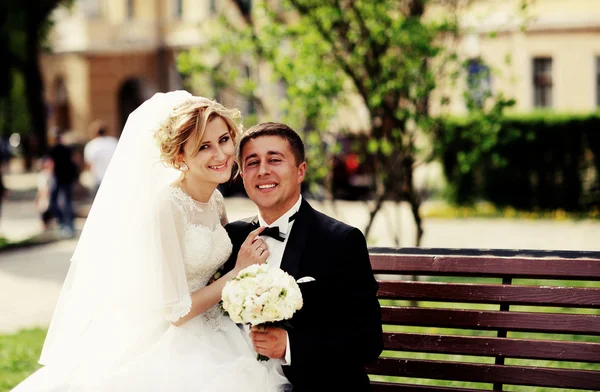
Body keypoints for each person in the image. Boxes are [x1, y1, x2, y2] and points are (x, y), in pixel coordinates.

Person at [11, 91, 290, 392]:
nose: (221, 154)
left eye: (224, 140)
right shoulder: (168, 206)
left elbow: (220, 270)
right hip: (174, 338)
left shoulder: (216, 200)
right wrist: (238, 273)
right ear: (180, 156)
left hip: (216, 327)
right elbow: (175, 311)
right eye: (204, 147)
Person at [223, 122, 383, 392]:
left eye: (275, 159)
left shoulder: (340, 241)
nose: (263, 170)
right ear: (242, 175)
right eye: (252, 162)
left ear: (300, 171)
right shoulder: (232, 238)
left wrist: (289, 345)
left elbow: (367, 341)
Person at [47, 131, 79, 238]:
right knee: (68, 202)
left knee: (54, 202)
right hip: (67, 178)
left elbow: (50, 165)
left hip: (58, 178)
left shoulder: (52, 150)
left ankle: (63, 223)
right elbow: (75, 161)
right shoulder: (68, 149)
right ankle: (69, 225)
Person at [83, 120, 118, 197]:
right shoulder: (113, 142)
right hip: (114, 178)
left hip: (98, 179)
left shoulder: (91, 145)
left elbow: (89, 164)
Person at [34, 156, 55, 230]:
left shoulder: (53, 175)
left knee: (50, 216)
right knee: (44, 215)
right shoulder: (42, 175)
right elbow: (41, 189)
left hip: (51, 198)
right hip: (45, 198)